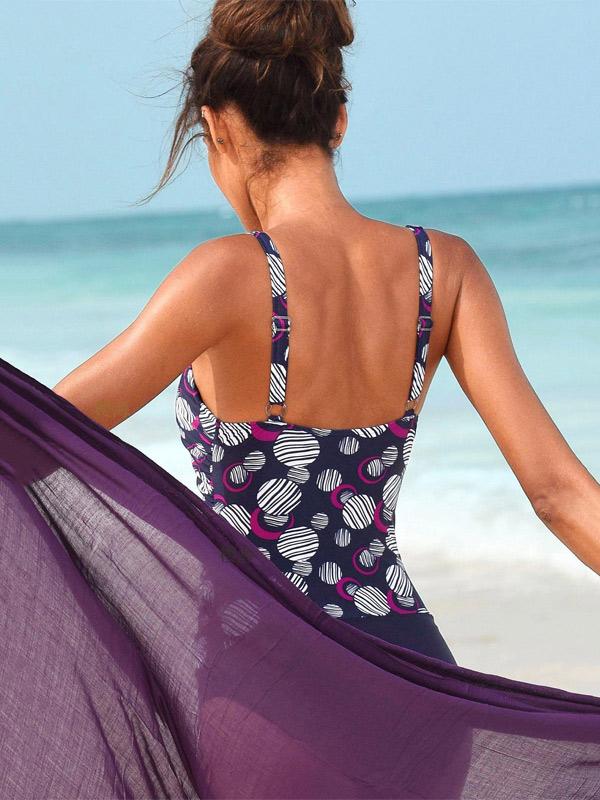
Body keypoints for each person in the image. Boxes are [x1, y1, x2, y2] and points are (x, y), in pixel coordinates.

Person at [2, 2, 600, 798]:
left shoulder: (224, 275)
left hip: (267, 699)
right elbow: (559, 494)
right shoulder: (445, 271)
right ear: (338, 120)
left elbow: (37, 432)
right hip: (411, 684)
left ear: (218, 128)